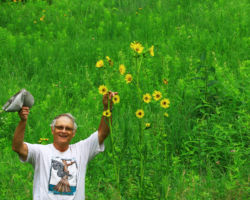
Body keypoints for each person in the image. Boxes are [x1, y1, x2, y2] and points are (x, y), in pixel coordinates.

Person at [12, 91, 117, 200]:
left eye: (68, 128)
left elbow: (103, 133)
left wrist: (107, 108)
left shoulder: (82, 150)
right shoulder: (40, 151)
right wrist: (23, 121)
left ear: (74, 133)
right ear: (52, 130)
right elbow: (17, 147)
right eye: (59, 127)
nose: (63, 131)